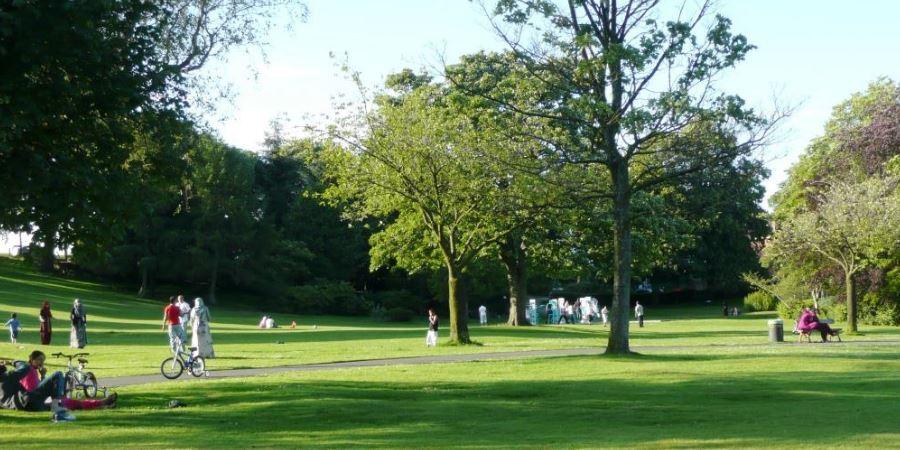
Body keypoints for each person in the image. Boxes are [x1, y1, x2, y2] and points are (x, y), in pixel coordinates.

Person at [0, 350, 116, 417]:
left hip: (30, 404)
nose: (41, 362)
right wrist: (12, 361)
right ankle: (100, 403)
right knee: (58, 375)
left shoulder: (8, 382)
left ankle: (102, 404)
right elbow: (24, 368)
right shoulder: (15, 375)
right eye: (39, 359)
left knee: (70, 403)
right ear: (32, 359)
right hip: (28, 400)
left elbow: (38, 388)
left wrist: (43, 376)